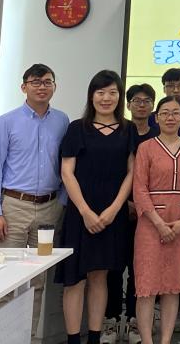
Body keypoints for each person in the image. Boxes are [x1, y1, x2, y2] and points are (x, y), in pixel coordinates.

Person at [0, 63, 70, 339]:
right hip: (14, 207)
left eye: (47, 82)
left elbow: (67, 165)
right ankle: (0, 338)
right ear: (24, 87)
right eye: (35, 82)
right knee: (5, 278)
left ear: (54, 86)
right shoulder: (6, 121)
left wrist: (62, 202)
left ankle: (29, 337)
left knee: (38, 280)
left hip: (49, 208)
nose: (42, 87)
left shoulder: (62, 121)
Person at [59, 70, 136, 344]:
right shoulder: (77, 128)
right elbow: (67, 172)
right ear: (91, 96)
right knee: (74, 279)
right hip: (80, 213)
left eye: (112, 92)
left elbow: (132, 172)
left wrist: (114, 209)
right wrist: (85, 211)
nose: (106, 98)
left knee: (100, 276)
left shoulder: (128, 129)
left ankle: (94, 337)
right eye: (100, 92)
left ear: (119, 96)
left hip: (112, 215)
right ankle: (73, 340)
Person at [132, 95, 180, 344]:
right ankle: (147, 340)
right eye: (165, 113)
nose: (170, 117)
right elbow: (139, 188)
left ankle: (165, 339)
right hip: (150, 224)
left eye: (176, 113)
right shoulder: (146, 148)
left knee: (173, 285)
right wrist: (158, 223)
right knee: (147, 286)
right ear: (156, 117)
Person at [105, 83, 159, 344]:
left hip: (150, 214)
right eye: (136, 100)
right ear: (127, 104)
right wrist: (125, 203)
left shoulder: (159, 135)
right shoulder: (118, 132)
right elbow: (111, 172)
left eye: (147, 101)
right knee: (114, 266)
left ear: (153, 106)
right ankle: (112, 319)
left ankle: (137, 320)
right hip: (118, 209)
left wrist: (144, 206)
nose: (141, 105)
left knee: (141, 268)